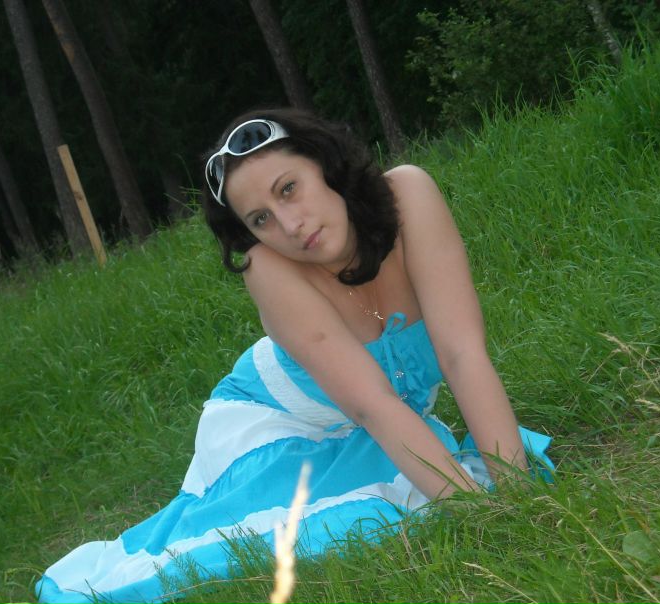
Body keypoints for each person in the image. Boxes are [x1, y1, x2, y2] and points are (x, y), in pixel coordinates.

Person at [36, 108, 554, 604]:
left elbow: (462, 353)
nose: (289, 225)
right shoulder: (267, 267)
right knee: (356, 519)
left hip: (370, 424)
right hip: (272, 423)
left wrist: (518, 496)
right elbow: (374, 406)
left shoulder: (409, 195)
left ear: (324, 164)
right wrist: (482, 514)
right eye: (261, 218)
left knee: (451, 477)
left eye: (288, 188)